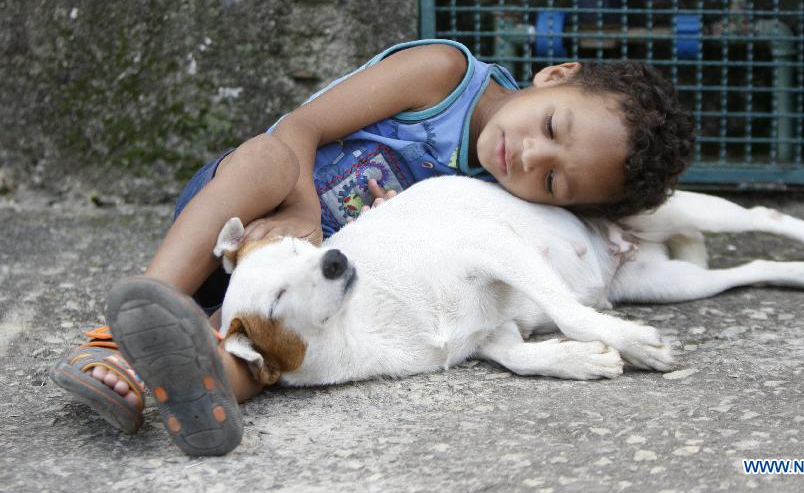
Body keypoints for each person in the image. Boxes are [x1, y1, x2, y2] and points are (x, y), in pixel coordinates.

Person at [50, 39, 694, 455]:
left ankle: (198, 379)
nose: (529, 155)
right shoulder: (443, 76)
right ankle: (130, 323)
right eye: (552, 125)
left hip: (309, 288)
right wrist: (302, 209)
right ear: (556, 75)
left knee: (277, 349)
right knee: (267, 156)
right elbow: (300, 126)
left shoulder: (500, 196)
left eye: (553, 181)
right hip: (252, 213)